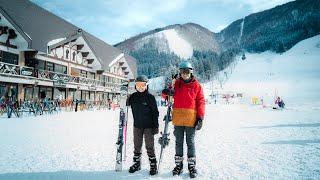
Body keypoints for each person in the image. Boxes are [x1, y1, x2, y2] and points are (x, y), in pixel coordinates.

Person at [163, 61, 205, 178]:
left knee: (190, 142)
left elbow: (201, 102)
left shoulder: (197, 86)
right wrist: (166, 92)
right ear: (180, 72)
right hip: (178, 118)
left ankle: (192, 166)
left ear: (191, 72)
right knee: (178, 142)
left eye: (187, 71)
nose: (184, 74)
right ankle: (178, 165)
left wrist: (200, 117)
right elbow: (166, 96)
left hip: (191, 119)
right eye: (182, 71)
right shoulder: (176, 83)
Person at [126, 75, 159, 176]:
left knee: (149, 146)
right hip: (137, 126)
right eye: (138, 85)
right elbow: (125, 104)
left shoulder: (150, 98)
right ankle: (137, 163)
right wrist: (125, 94)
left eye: (142, 85)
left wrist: (155, 126)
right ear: (135, 86)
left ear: (146, 85)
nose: (140, 87)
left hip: (149, 126)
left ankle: (153, 165)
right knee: (137, 145)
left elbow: (155, 113)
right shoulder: (133, 97)